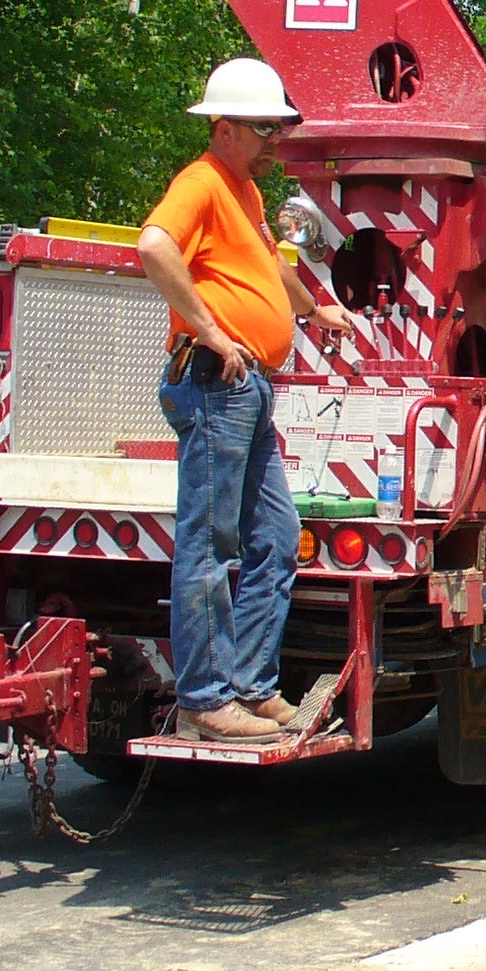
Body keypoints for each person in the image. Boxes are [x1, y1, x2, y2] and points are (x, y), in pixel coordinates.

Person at [136, 58, 348, 744]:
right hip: (215, 383)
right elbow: (153, 245)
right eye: (262, 130)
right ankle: (205, 696)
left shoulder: (245, 195)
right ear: (222, 129)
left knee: (277, 539)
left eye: (277, 129)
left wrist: (314, 311)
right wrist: (209, 329)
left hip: (245, 388)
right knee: (210, 543)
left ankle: (252, 687)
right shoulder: (200, 184)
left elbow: (268, 265)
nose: (274, 143)